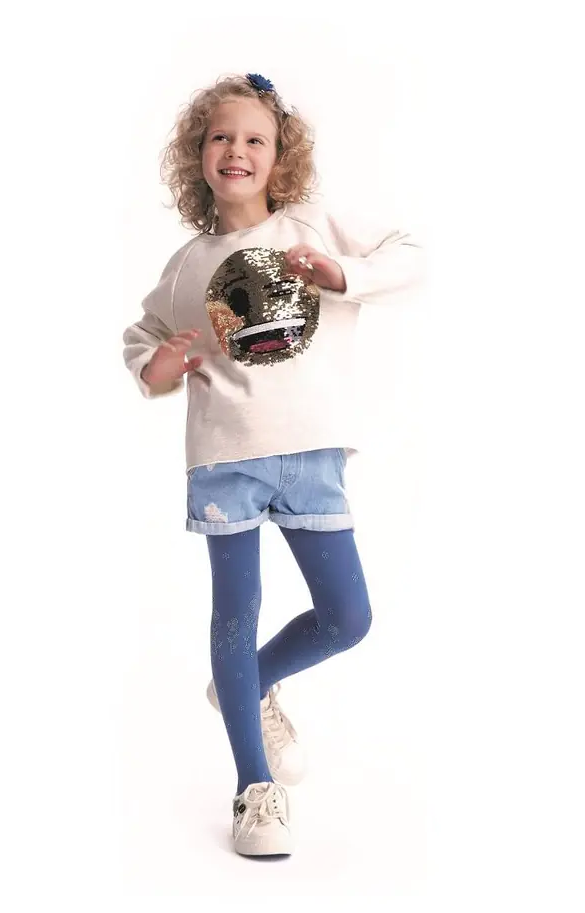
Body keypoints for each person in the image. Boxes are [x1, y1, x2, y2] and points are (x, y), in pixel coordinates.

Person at [122, 72, 424, 857]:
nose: (237, 150)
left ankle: (246, 684)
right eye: (220, 136)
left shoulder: (314, 224)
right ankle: (254, 790)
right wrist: (160, 367)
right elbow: (143, 340)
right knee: (235, 612)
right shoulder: (189, 264)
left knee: (348, 617)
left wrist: (342, 274)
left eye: (255, 138)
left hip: (312, 452)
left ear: (279, 155)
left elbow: (411, 255)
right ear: (197, 155)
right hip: (225, 459)